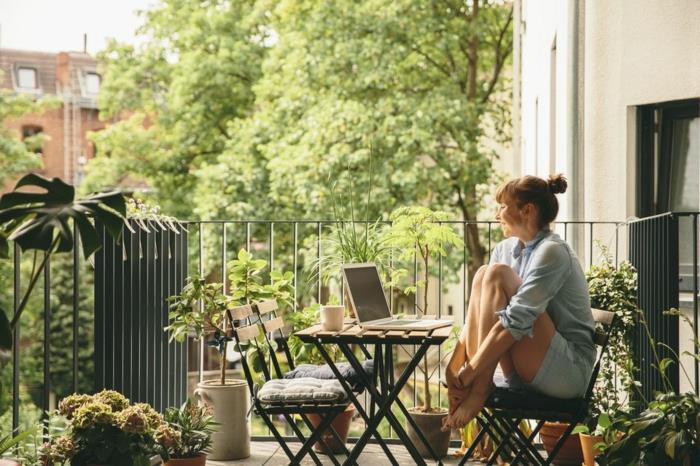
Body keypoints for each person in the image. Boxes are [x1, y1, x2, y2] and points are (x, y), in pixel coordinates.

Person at [442, 174, 596, 430]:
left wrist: (470, 377)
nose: (497, 215)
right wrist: (455, 367)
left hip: (567, 372)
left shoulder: (553, 252)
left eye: (503, 206)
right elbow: (480, 316)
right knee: (484, 273)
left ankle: (480, 390)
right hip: (529, 364)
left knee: (497, 274)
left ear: (527, 210)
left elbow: (515, 321)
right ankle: (479, 386)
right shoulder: (504, 250)